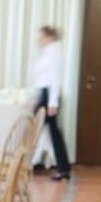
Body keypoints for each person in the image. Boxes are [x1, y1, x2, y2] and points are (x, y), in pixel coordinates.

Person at [33, 25, 71, 181]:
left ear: (50, 37)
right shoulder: (48, 53)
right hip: (45, 95)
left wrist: (52, 103)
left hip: (48, 96)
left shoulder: (54, 54)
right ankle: (64, 168)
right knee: (53, 132)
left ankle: (63, 168)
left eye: (42, 37)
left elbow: (55, 80)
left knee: (35, 129)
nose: (39, 40)